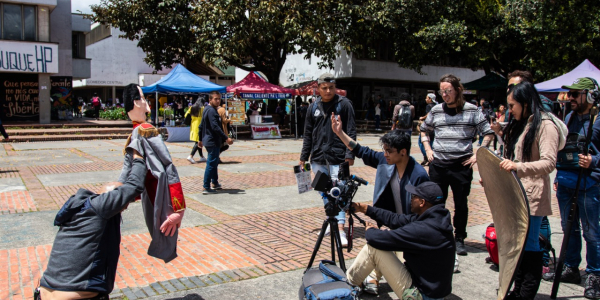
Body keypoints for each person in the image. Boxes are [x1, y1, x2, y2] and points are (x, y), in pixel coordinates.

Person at [36, 149, 146, 300]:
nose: (125, 206)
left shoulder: (80, 208)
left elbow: (124, 187)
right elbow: (134, 186)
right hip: (75, 295)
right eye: (124, 203)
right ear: (110, 199)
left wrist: (129, 158)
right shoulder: (101, 206)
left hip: (45, 292)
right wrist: (139, 156)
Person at [486, 81, 559, 300]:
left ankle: (525, 293)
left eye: (512, 105)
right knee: (518, 245)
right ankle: (517, 290)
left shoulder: (545, 125)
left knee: (530, 246)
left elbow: (549, 163)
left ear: (525, 103)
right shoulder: (525, 123)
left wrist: (517, 167)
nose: (509, 110)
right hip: (518, 193)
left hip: (533, 196)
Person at [420, 74, 495, 256]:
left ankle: (459, 237)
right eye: (442, 91)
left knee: (461, 204)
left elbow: (488, 133)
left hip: (461, 166)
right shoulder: (436, 110)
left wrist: (479, 153)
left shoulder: (472, 110)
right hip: (438, 165)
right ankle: (437, 234)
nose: (444, 95)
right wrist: (428, 150)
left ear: (458, 90)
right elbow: (424, 129)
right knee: (437, 202)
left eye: (448, 91)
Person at [346, 181, 455, 300]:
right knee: (394, 243)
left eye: (414, 197)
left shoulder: (423, 229)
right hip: (434, 292)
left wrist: (369, 230)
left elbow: (377, 238)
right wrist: (364, 208)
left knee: (374, 248)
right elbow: (396, 219)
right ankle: (360, 281)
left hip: (421, 296)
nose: (411, 199)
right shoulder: (437, 219)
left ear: (422, 202)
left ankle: (348, 285)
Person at [551, 77, 600, 299]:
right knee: (569, 227)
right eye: (569, 93)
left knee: (591, 232)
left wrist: (594, 161)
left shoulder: (598, 119)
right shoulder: (569, 117)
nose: (569, 98)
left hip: (590, 184)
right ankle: (571, 267)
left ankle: (594, 274)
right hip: (566, 182)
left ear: (590, 95)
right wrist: (559, 174)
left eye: (574, 94)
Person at [300, 73, 356, 247]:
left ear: (335, 87)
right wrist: (304, 156)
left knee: (338, 192)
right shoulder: (313, 106)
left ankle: (340, 229)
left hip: (338, 156)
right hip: (317, 157)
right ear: (318, 88)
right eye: (324, 88)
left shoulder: (344, 105)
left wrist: (350, 154)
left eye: (331, 87)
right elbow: (308, 133)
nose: (328, 91)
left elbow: (351, 130)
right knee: (323, 190)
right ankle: (331, 221)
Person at [200, 91, 233, 194]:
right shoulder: (211, 111)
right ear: (210, 100)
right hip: (212, 141)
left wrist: (200, 139)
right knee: (211, 163)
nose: (218, 101)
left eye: (219, 99)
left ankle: (215, 182)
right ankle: (206, 186)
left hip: (209, 140)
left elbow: (201, 126)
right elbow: (215, 127)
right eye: (215, 99)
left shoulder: (208, 109)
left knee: (214, 162)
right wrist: (226, 138)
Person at [418, 94, 437, 165]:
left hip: (428, 128)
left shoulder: (429, 106)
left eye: (426, 98)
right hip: (435, 128)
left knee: (421, 142)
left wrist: (422, 117)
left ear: (430, 99)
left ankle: (426, 157)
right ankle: (431, 157)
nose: (426, 100)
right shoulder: (437, 105)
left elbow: (429, 114)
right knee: (432, 142)